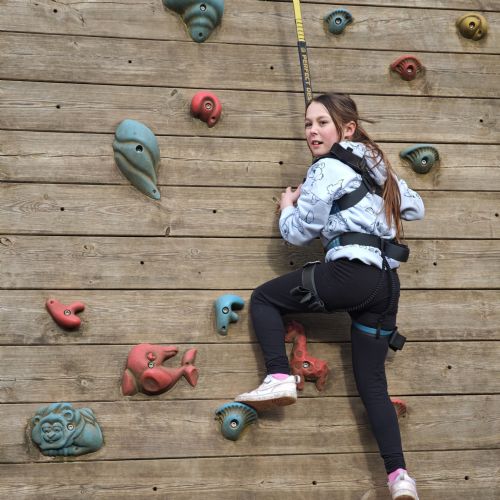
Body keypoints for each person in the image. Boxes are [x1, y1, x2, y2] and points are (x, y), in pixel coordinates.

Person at [234, 93, 424, 500]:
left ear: (347, 129)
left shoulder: (325, 168)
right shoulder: (377, 165)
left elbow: (299, 232)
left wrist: (289, 205)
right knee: (373, 384)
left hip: (350, 274)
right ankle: (400, 478)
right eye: (308, 124)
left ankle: (278, 377)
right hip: (386, 286)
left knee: (264, 299)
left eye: (322, 123)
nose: (312, 131)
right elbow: (415, 207)